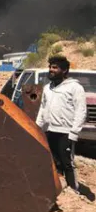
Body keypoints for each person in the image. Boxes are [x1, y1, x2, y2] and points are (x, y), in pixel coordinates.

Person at [36, 55, 87, 192]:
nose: (51, 70)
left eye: (55, 67)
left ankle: (73, 190)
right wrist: (37, 127)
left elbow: (81, 111)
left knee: (67, 163)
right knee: (53, 162)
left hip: (66, 132)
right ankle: (58, 190)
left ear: (64, 70)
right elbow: (43, 108)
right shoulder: (47, 88)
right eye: (50, 67)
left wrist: (74, 133)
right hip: (49, 130)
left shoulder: (75, 88)